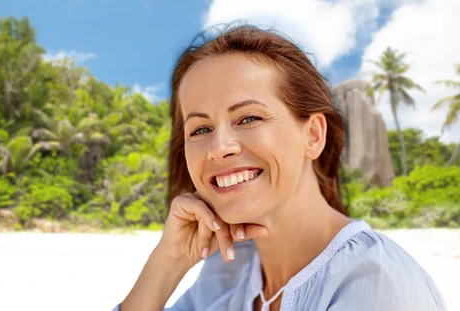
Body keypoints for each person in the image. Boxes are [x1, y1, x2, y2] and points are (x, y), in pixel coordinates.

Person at [114, 25, 447, 311]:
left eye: (248, 118)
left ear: (313, 136)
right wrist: (167, 264)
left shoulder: (377, 286)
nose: (219, 148)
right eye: (200, 129)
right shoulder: (227, 273)